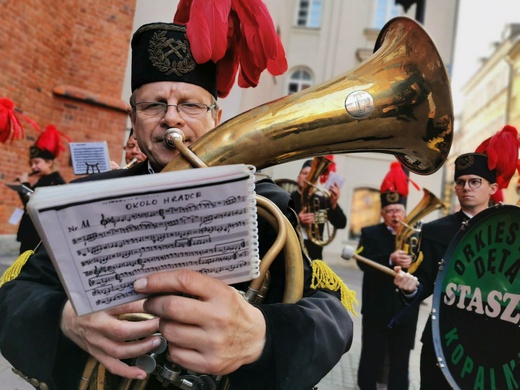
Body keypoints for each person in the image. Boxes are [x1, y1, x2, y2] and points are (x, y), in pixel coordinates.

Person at [0, 5, 354, 390]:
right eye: (154, 105)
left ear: (215, 118)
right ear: (134, 121)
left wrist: (264, 336)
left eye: (190, 104)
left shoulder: (264, 205)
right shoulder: (87, 199)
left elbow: (331, 314)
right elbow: (16, 296)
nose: (172, 118)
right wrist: (65, 319)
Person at [393, 125, 520, 389]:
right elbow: (425, 284)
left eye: (475, 182)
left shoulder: (512, 229)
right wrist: (410, 287)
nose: (466, 188)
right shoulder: (435, 230)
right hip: (444, 341)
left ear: (493, 187)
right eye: (461, 182)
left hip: (495, 346)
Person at [355, 162, 420, 390]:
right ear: (383, 214)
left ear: (405, 212)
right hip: (377, 309)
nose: (395, 214)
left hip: (405, 311)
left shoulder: (416, 236)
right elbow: (362, 262)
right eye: (390, 211)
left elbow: (424, 269)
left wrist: (413, 263)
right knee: (370, 358)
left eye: (398, 210)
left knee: (400, 364)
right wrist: (390, 259)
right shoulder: (370, 233)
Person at [14, 125, 67, 254]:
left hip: (38, 237)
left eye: (37, 163)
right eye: (31, 164)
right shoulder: (43, 180)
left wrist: (25, 185)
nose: (33, 167)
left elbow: (33, 203)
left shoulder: (56, 182)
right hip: (29, 234)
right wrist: (22, 187)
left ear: (49, 163)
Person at [290, 158, 347, 260]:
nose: (308, 177)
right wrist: (297, 220)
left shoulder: (322, 200)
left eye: (312, 175)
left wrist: (334, 205)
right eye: (305, 173)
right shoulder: (288, 198)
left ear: (316, 180)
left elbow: (341, 223)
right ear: (298, 177)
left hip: (314, 257)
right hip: (292, 254)